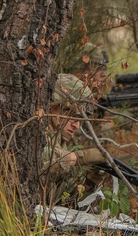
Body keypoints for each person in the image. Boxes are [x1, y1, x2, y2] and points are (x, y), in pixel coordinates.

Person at [41, 74, 108, 206]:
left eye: (80, 120)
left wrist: (91, 181)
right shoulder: (37, 132)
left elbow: (67, 201)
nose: (77, 125)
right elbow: (41, 157)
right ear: (53, 107)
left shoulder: (59, 140)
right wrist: (80, 157)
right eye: (72, 116)